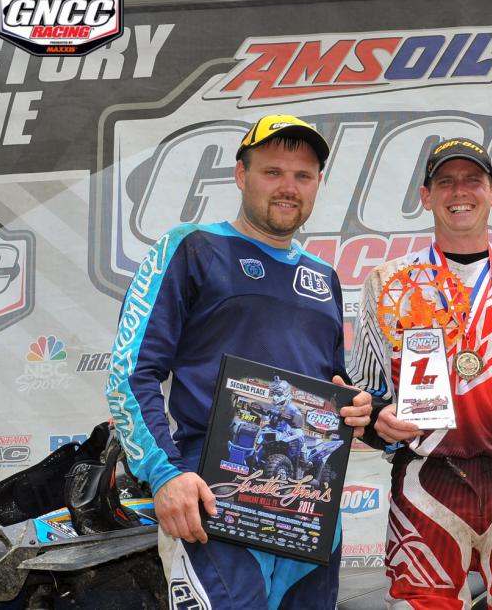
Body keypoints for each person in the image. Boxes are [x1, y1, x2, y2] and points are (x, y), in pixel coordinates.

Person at [105, 114, 372, 610]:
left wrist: (359, 409)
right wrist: (164, 474)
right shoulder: (192, 247)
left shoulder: (323, 277)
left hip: (311, 510)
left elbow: (333, 386)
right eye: (272, 172)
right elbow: (130, 373)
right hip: (214, 496)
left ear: (317, 184)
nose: (288, 187)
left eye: (303, 175)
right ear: (240, 175)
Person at [349, 138, 492, 608]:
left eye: (473, 180)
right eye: (445, 182)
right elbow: (363, 396)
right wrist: (378, 421)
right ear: (426, 197)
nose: (459, 191)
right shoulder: (387, 281)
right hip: (425, 480)